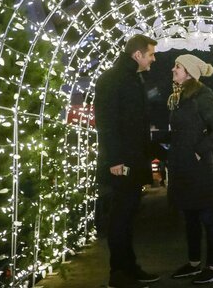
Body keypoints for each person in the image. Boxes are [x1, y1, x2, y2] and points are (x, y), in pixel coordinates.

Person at [93, 34, 159, 288]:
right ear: (138, 55)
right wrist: (115, 159)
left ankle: (129, 268)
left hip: (132, 160)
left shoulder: (131, 78)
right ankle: (118, 273)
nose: (153, 59)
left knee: (128, 215)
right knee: (120, 217)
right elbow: (106, 121)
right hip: (122, 163)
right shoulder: (113, 79)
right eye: (151, 54)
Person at [166, 54, 213, 284]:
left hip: (200, 169)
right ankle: (193, 264)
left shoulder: (202, 94)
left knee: (208, 217)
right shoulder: (180, 96)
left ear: (190, 72)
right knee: (190, 217)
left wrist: (199, 150)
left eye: (178, 66)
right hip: (183, 167)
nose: (173, 69)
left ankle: (212, 268)